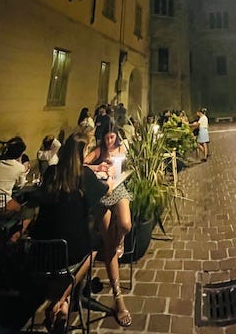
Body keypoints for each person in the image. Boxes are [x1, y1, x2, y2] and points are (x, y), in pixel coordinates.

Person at [32, 132, 109, 331]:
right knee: (97, 244)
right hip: (70, 253)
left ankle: (63, 305)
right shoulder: (84, 176)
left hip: (41, 252)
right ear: (83, 152)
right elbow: (105, 192)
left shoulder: (52, 172)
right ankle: (64, 297)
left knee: (65, 244)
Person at [84, 128, 132, 327]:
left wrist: (118, 166)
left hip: (118, 187)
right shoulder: (99, 150)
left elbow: (128, 164)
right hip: (102, 194)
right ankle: (118, 299)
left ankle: (121, 239)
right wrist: (99, 168)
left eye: (112, 137)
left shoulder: (122, 146)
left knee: (125, 225)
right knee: (109, 246)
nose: (110, 141)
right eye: (106, 137)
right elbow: (82, 164)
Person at [0, 137, 33, 232]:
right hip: (3, 205)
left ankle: (7, 231)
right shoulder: (19, 167)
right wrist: (21, 167)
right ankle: (14, 237)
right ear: (21, 153)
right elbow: (20, 185)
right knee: (27, 211)